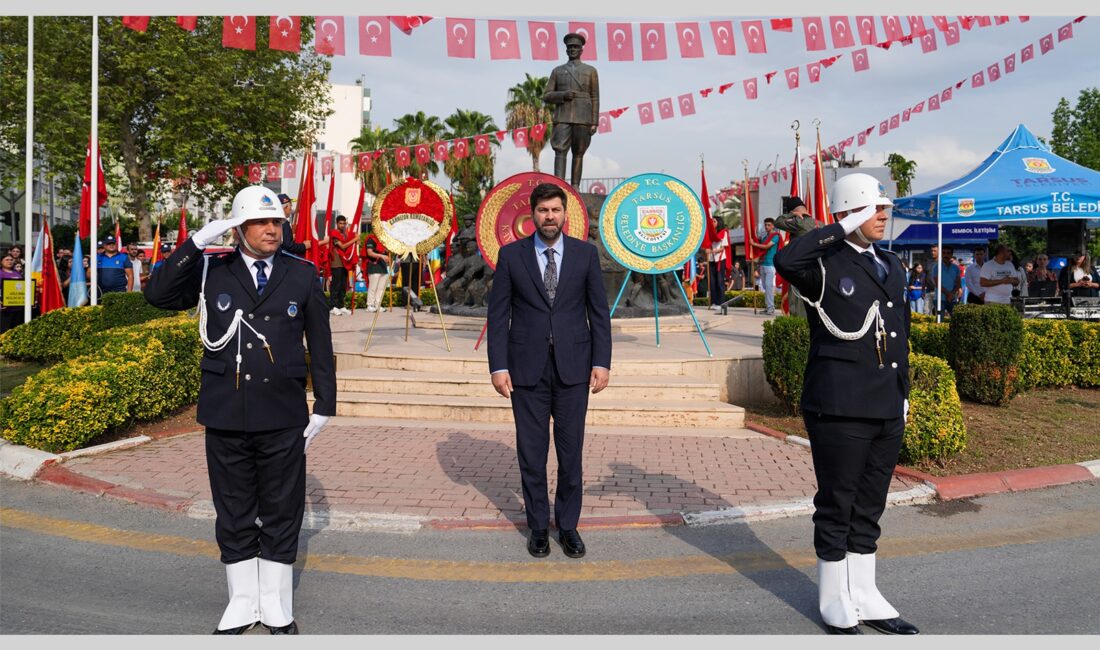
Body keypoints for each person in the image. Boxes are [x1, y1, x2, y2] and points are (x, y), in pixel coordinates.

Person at [143, 186, 336, 635]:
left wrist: (325, 404)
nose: (272, 230)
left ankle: (276, 604)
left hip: (283, 410)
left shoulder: (302, 273)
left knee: (282, 507)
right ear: (238, 228)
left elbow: (320, 342)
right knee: (233, 507)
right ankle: (242, 601)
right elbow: (157, 294)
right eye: (260, 223)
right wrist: (196, 242)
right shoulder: (212, 269)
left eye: (277, 223)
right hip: (226, 409)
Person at [775, 173, 919, 636]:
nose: (883, 215)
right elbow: (786, 259)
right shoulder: (822, 263)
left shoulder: (891, 263)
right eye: (873, 208)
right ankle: (834, 597)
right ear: (849, 213)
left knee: (870, 504)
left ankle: (865, 593)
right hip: (839, 405)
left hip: (885, 402)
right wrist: (839, 228)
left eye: (884, 208)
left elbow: (900, 332)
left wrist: (903, 393)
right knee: (838, 503)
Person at [486, 183, 612, 560]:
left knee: (570, 454)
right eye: (543, 211)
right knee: (532, 452)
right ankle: (538, 526)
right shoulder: (512, 256)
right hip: (526, 370)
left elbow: (598, 313)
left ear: (565, 214)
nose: (550, 217)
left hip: (574, 369)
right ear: (532, 215)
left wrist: (602, 362)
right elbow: (498, 316)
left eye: (555, 210)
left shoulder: (585, 255)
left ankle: (568, 526)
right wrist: (498, 366)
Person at [542, 32, 600, 187]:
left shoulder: (591, 71)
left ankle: (575, 186)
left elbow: (595, 97)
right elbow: (546, 95)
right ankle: (559, 185)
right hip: (563, 116)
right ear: (566, 50)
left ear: (581, 50)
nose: (572, 49)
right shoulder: (557, 71)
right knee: (560, 150)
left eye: (576, 47)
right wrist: (562, 95)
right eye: (570, 47)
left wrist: (594, 122)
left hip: (583, 117)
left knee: (579, 152)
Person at [750, 217, 782, 315]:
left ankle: (771, 308)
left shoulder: (776, 236)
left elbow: (767, 246)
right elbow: (760, 249)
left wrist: (754, 244)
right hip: (763, 264)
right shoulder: (764, 237)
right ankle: (767, 306)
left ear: (773, 226)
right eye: (765, 225)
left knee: (768, 286)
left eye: (769, 225)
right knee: (764, 287)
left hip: (770, 264)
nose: (766, 227)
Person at [327, 215, 356, 316]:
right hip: (336, 262)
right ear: (337, 223)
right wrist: (354, 239)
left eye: (344, 223)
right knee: (336, 285)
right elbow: (343, 247)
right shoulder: (334, 233)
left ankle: (341, 305)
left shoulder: (345, 234)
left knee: (343, 285)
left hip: (345, 262)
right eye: (340, 223)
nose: (342, 225)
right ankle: (333, 307)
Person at [927, 245, 961, 317]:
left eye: (948, 253)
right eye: (944, 253)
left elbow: (958, 283)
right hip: (940, 299)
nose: (946, 255)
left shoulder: (956, 268)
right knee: (940, 320)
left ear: (951, 254)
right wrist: (948, 294)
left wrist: (951, 294)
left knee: (955, 319)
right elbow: (937, 284)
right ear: (941, 254)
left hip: (952, 299)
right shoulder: (936, 267)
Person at [362, 233, 391, 312]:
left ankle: (378, 304)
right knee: (373, 287)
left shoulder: (384, 240)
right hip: (374, 265)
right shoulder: (371, 239)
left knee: (381, 288)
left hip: (383, 266)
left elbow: (386, 252)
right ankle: (370, 305)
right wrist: (381, 256)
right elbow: (370, 253)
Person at [1, 252, 24, 333]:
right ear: (1, 262)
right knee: (5, 331)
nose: (9, 261)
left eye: (11, 260)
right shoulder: (0, 273)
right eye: (7, 260)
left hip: (18, 307)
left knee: (17, 331)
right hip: (5, 309)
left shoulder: (17, 273)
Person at [706, 224, 727, 309]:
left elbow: (722, 248)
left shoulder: (723, 232)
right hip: (711, 259)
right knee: (712, 282)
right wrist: (707, 250)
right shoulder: (710, 233)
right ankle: (714, 302)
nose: (713, 223)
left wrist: (711, 251)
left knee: (719, 282)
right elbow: (706, 245)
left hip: (720, 259)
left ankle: (721, 303)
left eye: (714, 221)